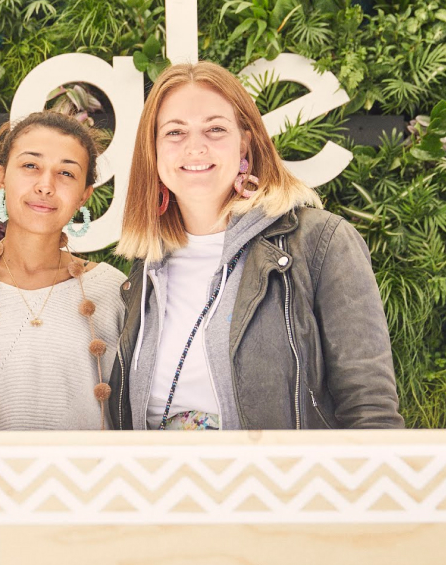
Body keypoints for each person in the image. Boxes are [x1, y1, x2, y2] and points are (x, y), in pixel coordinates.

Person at [112, 61, 403, 430]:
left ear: (245, 140)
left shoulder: (320, 243)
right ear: (152, 149)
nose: (195, 147)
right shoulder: (147, 267)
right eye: (175, 132)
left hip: (283, 486)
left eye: (215, 129)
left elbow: (370, 410)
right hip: (162, 485)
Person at [0, 111, 126, 430]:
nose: (45, 186)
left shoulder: (109, 290)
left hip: (86, 477)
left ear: (84, 196)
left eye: (66, 172)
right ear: (1, 177)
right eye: (30, 166)